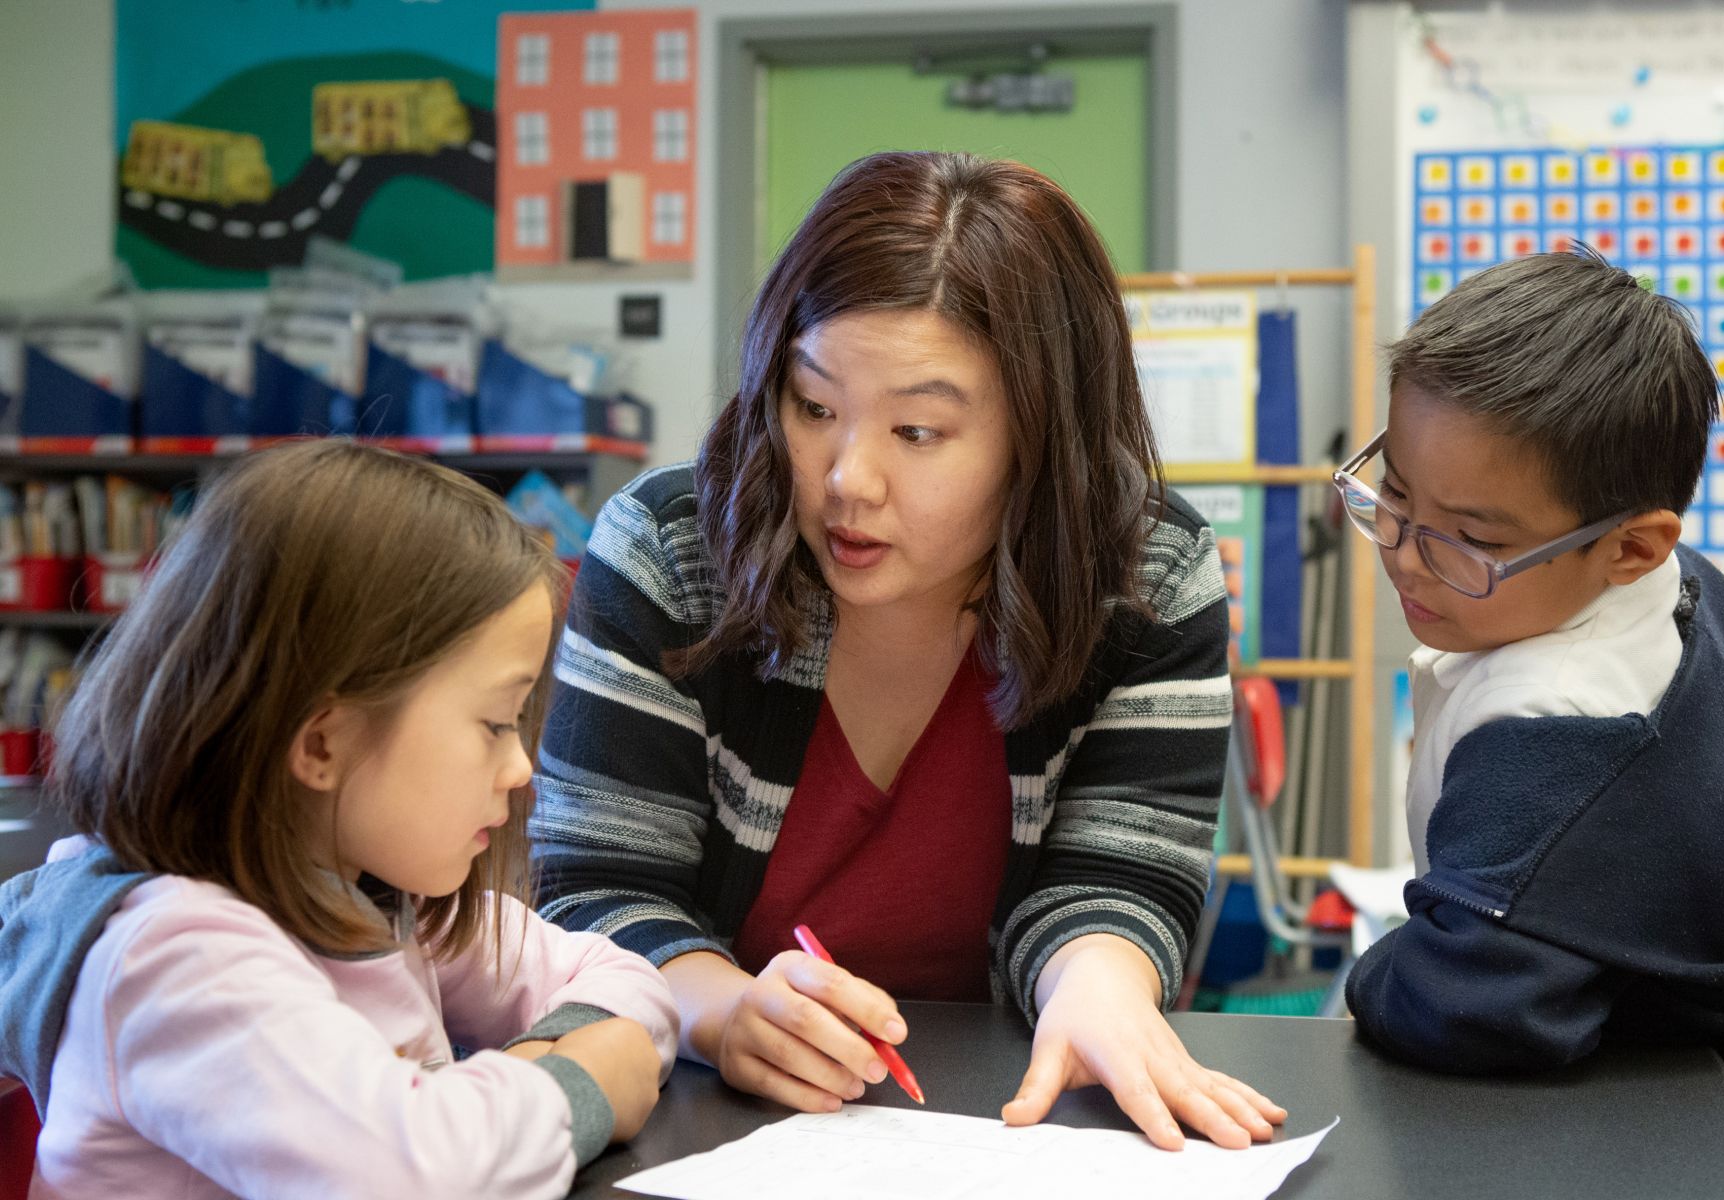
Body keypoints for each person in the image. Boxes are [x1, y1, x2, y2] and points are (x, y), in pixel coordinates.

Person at [532, 150, 1285, 1151]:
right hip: (713, 1119)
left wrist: (1100, 987)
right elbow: (595, 887)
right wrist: (722, 1011)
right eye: (813, 408)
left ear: (1041, 433)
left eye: (919, 430)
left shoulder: (1145, 572)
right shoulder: (672, 551)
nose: (849, 479)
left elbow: (1120, 879)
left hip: (1005, 1128)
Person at [0, 440, 678, 1198]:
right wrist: (572, 1084)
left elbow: (623, 979)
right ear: (322, 743)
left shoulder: (374, 895)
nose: (522, 769)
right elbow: (405, 1174)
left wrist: (555, 1057)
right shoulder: (173, 960)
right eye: (495, 723)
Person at [1341, 248, 1724, 1072]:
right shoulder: (1675, 585)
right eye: (1396, 493)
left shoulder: (1555, 728)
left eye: (1473, 541)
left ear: (1629, 546)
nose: (1405, 557)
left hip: (1684, 1099)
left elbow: (1460, 1010)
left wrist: (1378, 967)